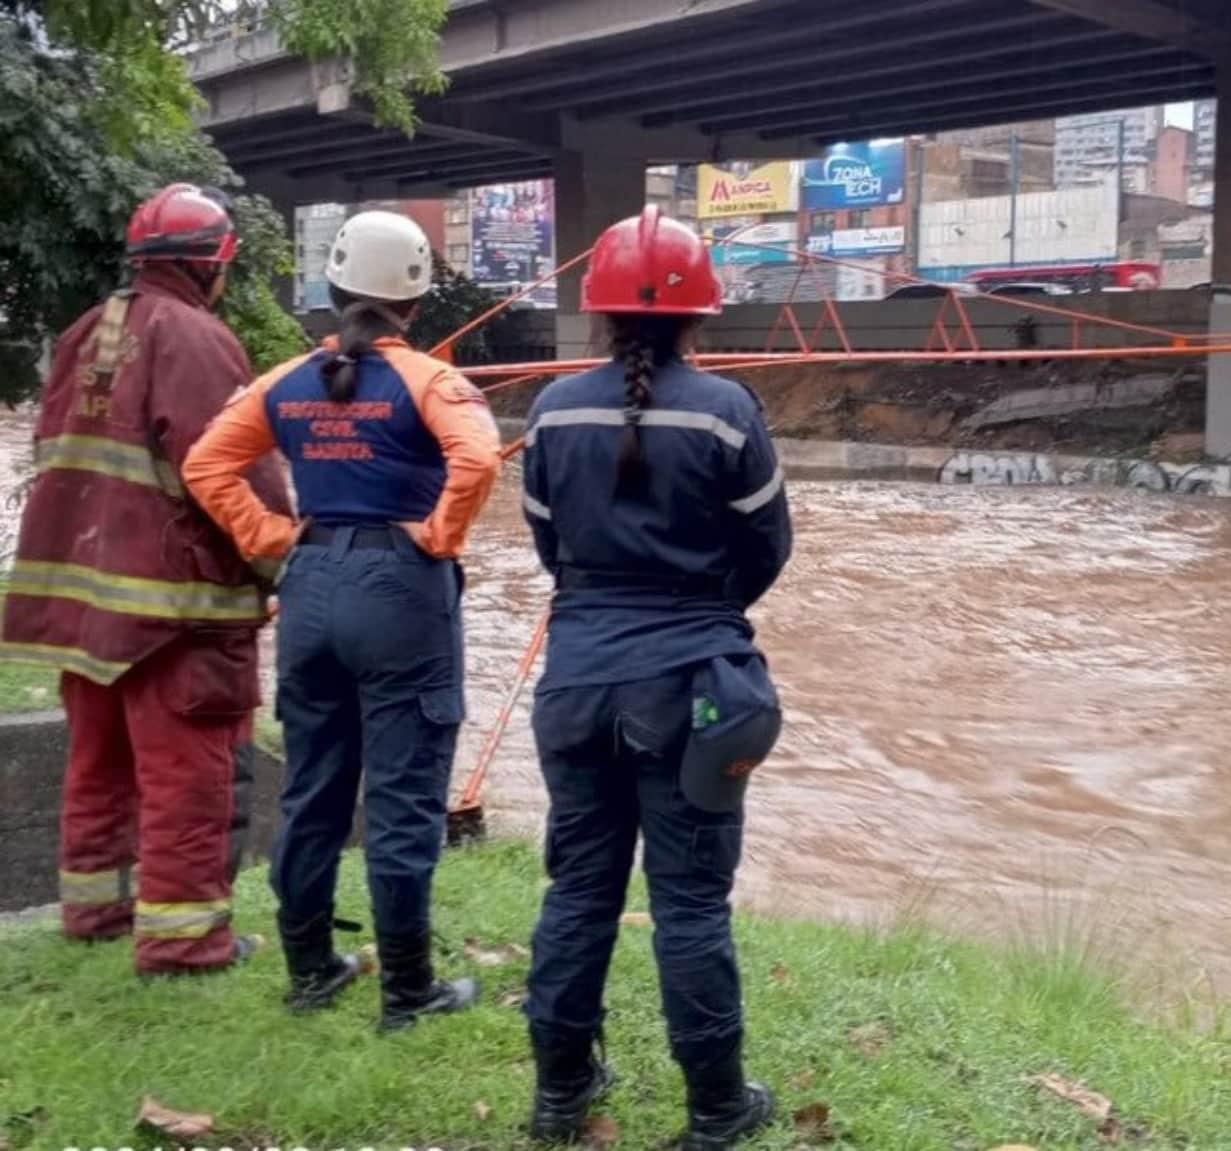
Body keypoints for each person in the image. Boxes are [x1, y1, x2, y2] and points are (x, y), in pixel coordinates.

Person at [182, 210, 502, 1031]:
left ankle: (312, 969)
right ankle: (409, 991)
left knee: (314, 791)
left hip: (311, 585)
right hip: (399, 588)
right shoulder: (431, 381)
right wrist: (440, 535)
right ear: (415, 300)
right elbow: (475, 455)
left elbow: (206, 462)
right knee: (401, 796)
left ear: (330, 289)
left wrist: (269, 537)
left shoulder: (282, 382)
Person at [519, 206, 793, 1147]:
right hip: (691, 687)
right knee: (688, 900)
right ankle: (717, 1108)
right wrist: (708, 608)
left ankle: (559, 1095)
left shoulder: (551, 410)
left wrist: (602, 604)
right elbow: (768, 545)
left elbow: (551, 543)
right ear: (698, 313)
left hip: (577, 680)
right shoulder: (727, 412)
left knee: (580, 891)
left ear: (595, 312)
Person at [0, 183, 289, 974]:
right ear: (212, 266)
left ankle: (97, 910)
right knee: (186, 776)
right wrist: (282, 555)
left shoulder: (85, 332)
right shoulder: (197, 338)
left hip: (83, 604)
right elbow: (229, 468)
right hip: (175, 609)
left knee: (99, 762)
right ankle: (185, 941)